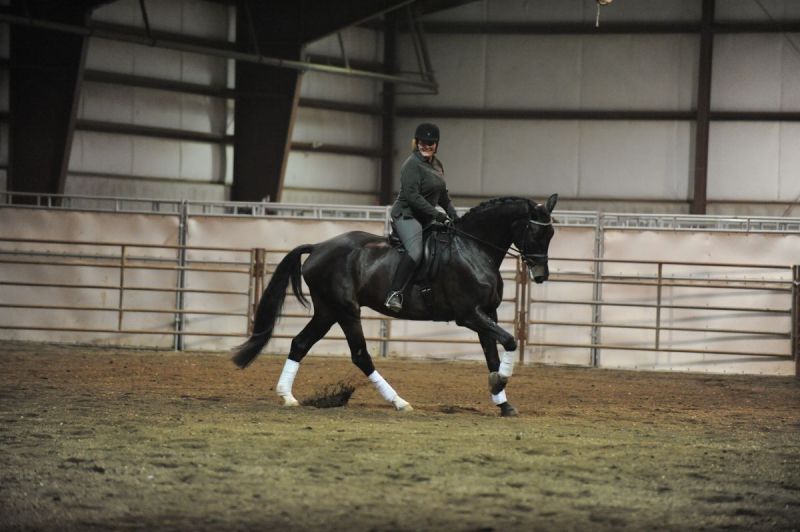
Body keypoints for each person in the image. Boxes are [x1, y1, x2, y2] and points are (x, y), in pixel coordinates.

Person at [385, 122, 458, 312]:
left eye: (431, 143)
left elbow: (442, 193)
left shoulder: (437, 164)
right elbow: (413, 197)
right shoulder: (411, 165)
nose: (426, 146)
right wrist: (437, 215)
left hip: (425, 216)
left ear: (436, 144)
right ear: (416, 143)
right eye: (423, 142)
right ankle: (394, 293)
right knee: (416, 251)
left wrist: (451, 211)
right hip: (407, 215)